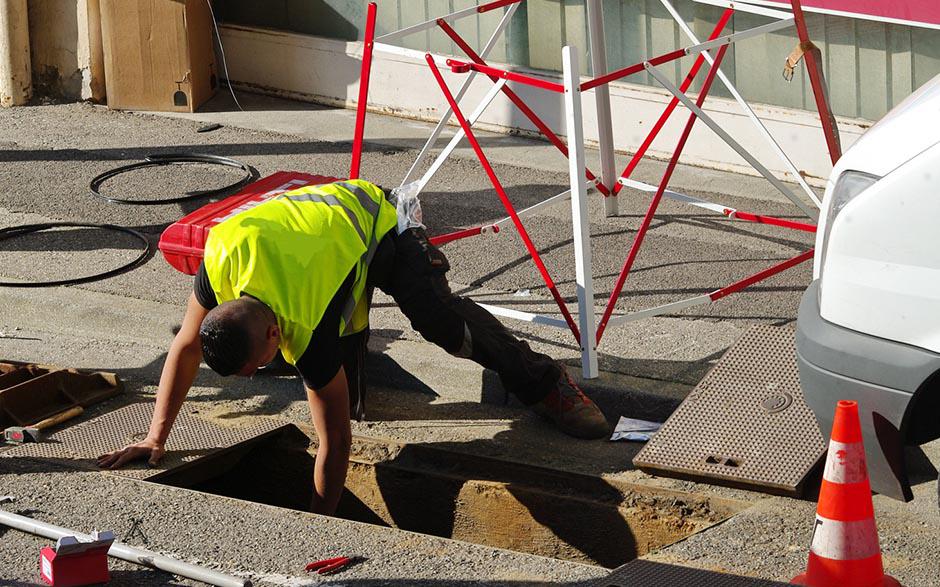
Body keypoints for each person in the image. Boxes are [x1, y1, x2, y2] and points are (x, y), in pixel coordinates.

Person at [97, 179, 609, 514]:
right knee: (347, 389)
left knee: (443, 326)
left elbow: (334, 442)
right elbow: (186, 346)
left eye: (258, 364)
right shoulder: (220, 261)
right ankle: (355, 366)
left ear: (276, 334)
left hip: (380, 220)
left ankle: (547, 384)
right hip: (318, 237)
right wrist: (154, 436)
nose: (257, 375)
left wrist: (321, 525)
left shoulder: (306, 324)